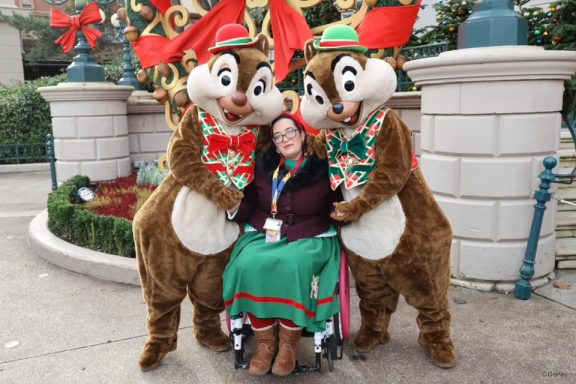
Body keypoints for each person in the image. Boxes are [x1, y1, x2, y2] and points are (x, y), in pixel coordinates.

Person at [223, 112, 342, 376]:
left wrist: (348, 215)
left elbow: (337, 203)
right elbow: (250, 202)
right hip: (267, 231)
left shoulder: (324, 166)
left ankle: (289, 345)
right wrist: (231, 206)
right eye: (278, 136)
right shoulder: (264, 167)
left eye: (289, 132)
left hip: (311, 234)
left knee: (294, 264)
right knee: (249, 263)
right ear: (274, 144)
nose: (285, 139)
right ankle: (266, 344)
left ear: (301, 134)